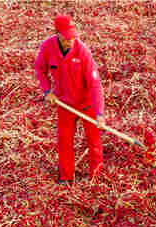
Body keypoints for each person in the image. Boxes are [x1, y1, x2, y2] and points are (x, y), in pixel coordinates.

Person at [34, 14, 105, 184]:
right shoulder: (48, 47)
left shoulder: (83, 52)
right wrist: (46, 91)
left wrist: (99, 113)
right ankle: (66, 177)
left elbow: (96, 85)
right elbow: (39, 68)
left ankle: (96, 176)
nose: (70, 41)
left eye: (73, 37)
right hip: (64, 103)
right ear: (57, 34)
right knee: (64, 141)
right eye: (66, 38)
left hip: (86, 103)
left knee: (94, 141)